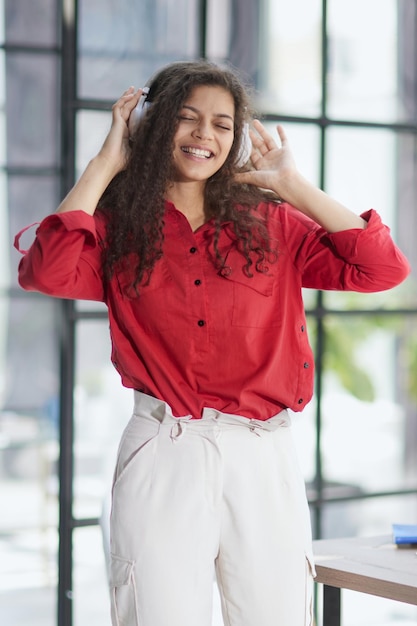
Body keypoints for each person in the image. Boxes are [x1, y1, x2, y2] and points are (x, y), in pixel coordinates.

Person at [15, 60, 410, 626]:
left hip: (262, 451)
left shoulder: (273, 222)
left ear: (236, 136)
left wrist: (291, 184)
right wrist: (105, 163)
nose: (205, 134)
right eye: (187, 117)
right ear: (154, 127)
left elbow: (382, 268)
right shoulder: (118, 227)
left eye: (223, 124)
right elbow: (46, 271)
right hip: (164, 447)